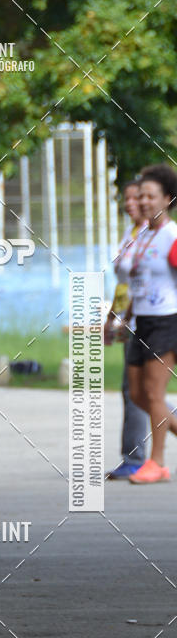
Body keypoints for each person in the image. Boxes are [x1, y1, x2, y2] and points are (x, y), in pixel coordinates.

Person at [125, 164, 177, 483]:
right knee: (137, 394)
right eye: (141, 195)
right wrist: (126, 314)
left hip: (167, 321)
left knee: (154, 394)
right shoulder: (143, 235)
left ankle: (157, 463)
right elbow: (140, 280)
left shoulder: (172, 236)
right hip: (141, 321)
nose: (144, 201)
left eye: (151, 196)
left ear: (168, 199)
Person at [105, 180, 149, 479]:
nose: (131, 203)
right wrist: (111, 318)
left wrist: (127, 317)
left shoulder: (153, 235)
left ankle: (136, 458)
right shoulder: (131, 233)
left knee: (139, 390)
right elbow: (124, 284)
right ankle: (134, 456)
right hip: (130, 320)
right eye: (128, 198)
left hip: (147, 320)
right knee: (138, 390)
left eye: (138, 198)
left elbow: (144, 284)